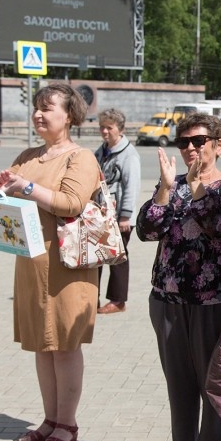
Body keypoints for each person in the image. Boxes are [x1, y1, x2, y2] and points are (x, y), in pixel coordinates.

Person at [136, 113, 221, 441]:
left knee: (214, 386)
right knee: (179, 386)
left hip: (213, 302)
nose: (191, 149)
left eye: (198, 141)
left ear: (218, 144)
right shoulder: (174, 186)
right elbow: (148, 230)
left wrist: (198, 192)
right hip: (167, 300)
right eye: (184, 143)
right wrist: (164, 190)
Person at [0, 83, 99, 441]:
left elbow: (70, 202)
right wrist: (0, 193)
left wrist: (26, 188)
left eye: (47, 108)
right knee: (42, 345)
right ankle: (49, 419)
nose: (39, 114)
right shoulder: (28, 154)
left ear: (68, 115)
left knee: (64, 345)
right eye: (36, 107)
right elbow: (12, 190)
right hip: (31, 264)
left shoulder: (80, 157)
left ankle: (67, 423)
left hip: (66, 265)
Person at [94, 109, 141, 315]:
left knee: (117, 258)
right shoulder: (102, 150)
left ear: (119, 129)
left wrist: (125, 216)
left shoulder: (128, 154)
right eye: (102, 127)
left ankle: (118, 301)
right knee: (96, 256)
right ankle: (89, 297)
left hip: (119, 217)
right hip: (100, 214)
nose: (105, 131)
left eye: (109, 128)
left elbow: (132, 186)